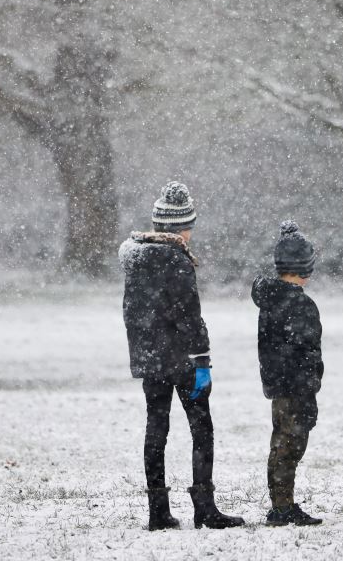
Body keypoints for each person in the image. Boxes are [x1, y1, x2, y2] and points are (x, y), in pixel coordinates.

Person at [120, 181, 244, 531]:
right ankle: (204, 508)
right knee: (201, 429)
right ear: (180, 227)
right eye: (189, 226)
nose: (190, 232)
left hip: (150, 359)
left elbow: (133, 312)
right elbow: (189, 315)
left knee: (156, 428)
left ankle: (157, 511)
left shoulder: (136, 258)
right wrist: (202, 360)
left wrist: (143, 353)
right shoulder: (176, 260)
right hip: (182, 360)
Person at [250, 221, 324, 527]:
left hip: (279, 385)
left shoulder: (270, 300)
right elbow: (307, 350)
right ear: (305, 269)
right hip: (296, 387)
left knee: (282, 442)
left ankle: (282, 503)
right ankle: (282, 507)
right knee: (289, 445)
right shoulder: (300, 304)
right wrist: (311, 383)